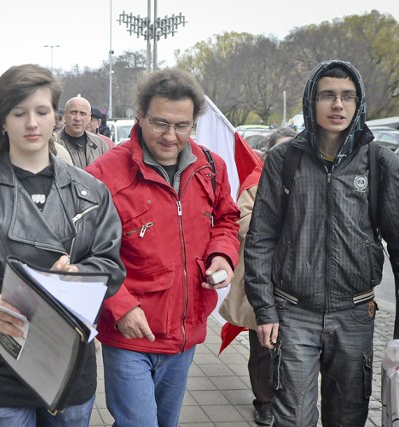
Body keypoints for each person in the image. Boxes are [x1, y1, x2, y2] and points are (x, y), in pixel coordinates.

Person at [0, 63, 126, 427]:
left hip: (69, 358)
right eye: (19, 113)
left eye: (41, 111)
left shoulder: (91, 191)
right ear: (2, 121)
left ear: (56, 118)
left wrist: (78, 273)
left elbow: (112, 267)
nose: (31, 123)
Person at [244, 60, 399, 426]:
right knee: (293, 419)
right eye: (327, 95)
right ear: (310, 102)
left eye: (347, 96)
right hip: (294, 312)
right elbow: (261, 239)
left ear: (358, 103)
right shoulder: (285, 159)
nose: (338, 105)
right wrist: (265, 310)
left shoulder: (378, 160)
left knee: (347, 417)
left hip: (356, 314)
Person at [85, 68, 241, 426]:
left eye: (182, 126)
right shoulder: (104, 174)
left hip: (185, 333)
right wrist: (120, 306)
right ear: (140, 115)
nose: (171, 136)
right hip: (129, 333)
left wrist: (223, 255)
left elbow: (227, 222)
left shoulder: (212, 168)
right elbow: (86, 251)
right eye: (160, 123)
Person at [218, 126, 296, 426]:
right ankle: (264, 401)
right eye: (281, 150)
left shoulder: (309, 182)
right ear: (268, 154)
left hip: (297, 283)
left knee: (291, 346)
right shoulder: (255, 182)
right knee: (263, 346)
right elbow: (244, 222)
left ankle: (286, 396)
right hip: (262, 278)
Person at [57, 95, 110, 168]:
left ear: (89, 117)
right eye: (73, 112)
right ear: (64, 114)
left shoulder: (99, 144)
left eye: (83, 114)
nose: (78, 118)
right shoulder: (53, 144)